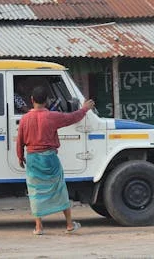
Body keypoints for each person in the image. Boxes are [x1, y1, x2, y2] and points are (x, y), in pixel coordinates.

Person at [16, 86, 95, 235]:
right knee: (59, 189)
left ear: (32, 100)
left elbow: (19, 141)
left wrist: (20, 157)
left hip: (32, 159)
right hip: (50, 158)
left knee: (35, 191)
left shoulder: (25, 119)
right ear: (46, 101)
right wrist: (85, 109)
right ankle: (69, 224)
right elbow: (72, 117)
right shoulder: (53, 116)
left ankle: (39, 227)